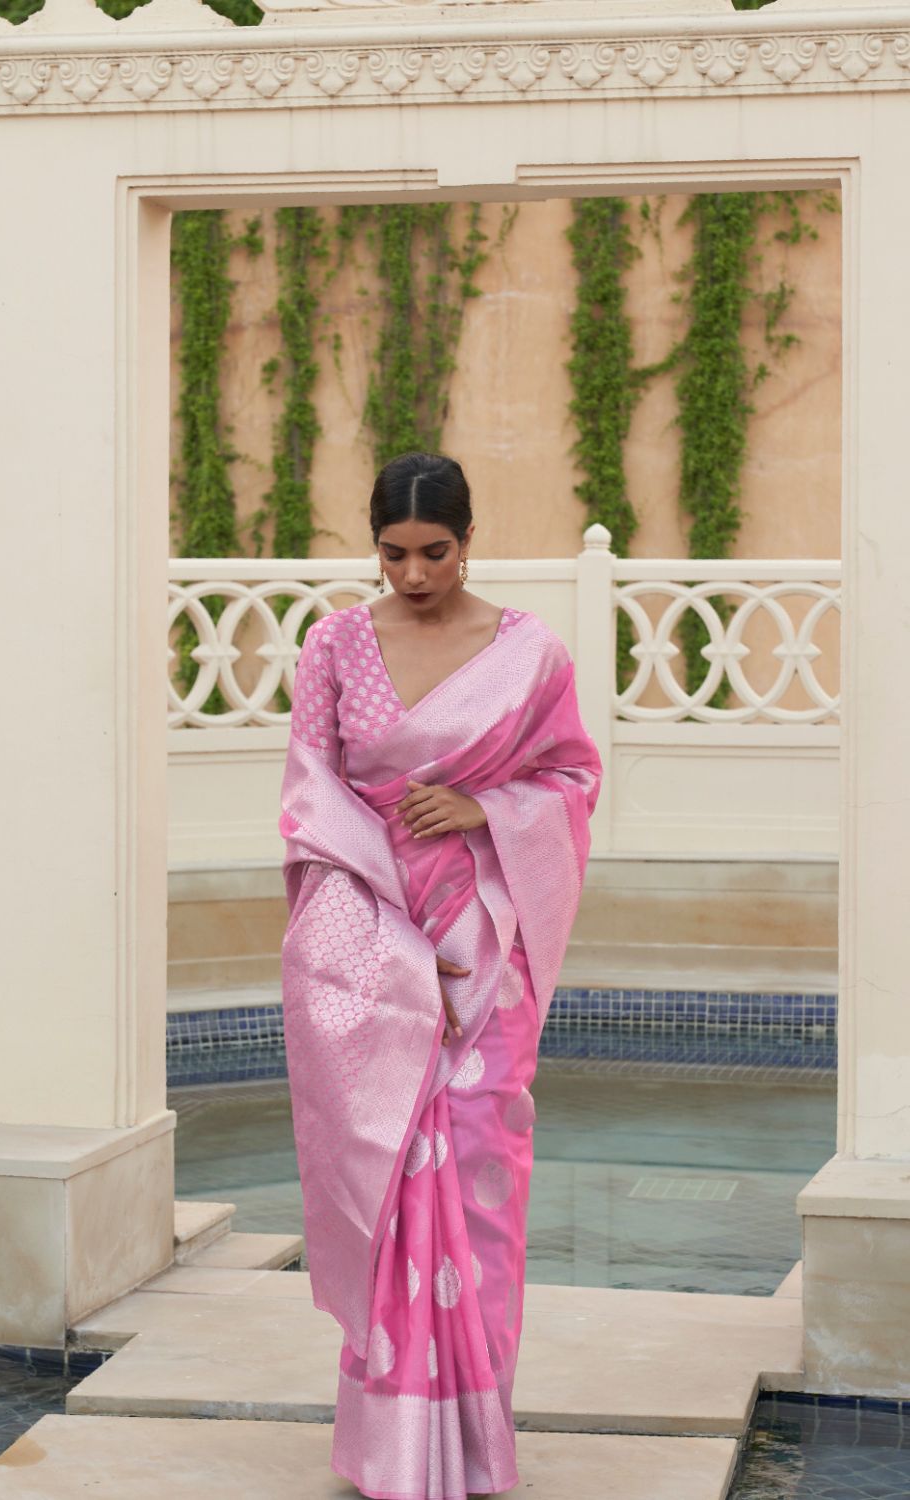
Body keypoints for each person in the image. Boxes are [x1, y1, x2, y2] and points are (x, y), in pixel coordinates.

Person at [279, 451, 602, 1500]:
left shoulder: (527, 654)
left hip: (480, 940)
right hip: (366, 936)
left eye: (435, 552)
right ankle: (389, 1444)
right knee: (374, 1158)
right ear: (370, 543)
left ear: (469, 540)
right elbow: (308, 793)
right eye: (391, 553)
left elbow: (571, 776)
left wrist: (484, 809)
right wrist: (366, 905)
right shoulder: (334, 644)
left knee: (477, 1172)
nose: (412, 575)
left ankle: (472, 1435)